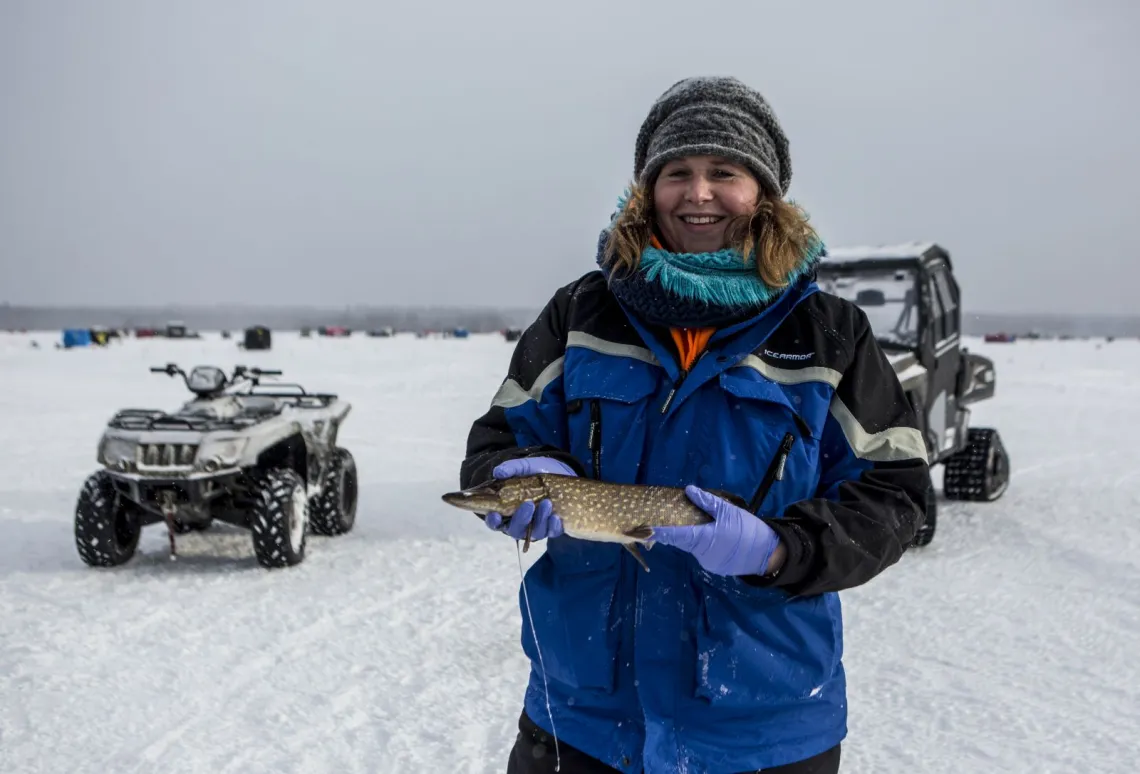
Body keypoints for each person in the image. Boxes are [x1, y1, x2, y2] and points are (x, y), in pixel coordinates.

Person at [459, 76, 933, 774]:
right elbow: (500, 435)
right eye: (676, 172)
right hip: (582, 721)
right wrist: (515, 474)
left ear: (764, 193)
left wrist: (780, 548)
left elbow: (897, 495)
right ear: (647, 190)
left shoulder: (831, 334)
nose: (699, 192)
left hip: (762, 730)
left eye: (725, 173)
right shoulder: (582, 315)